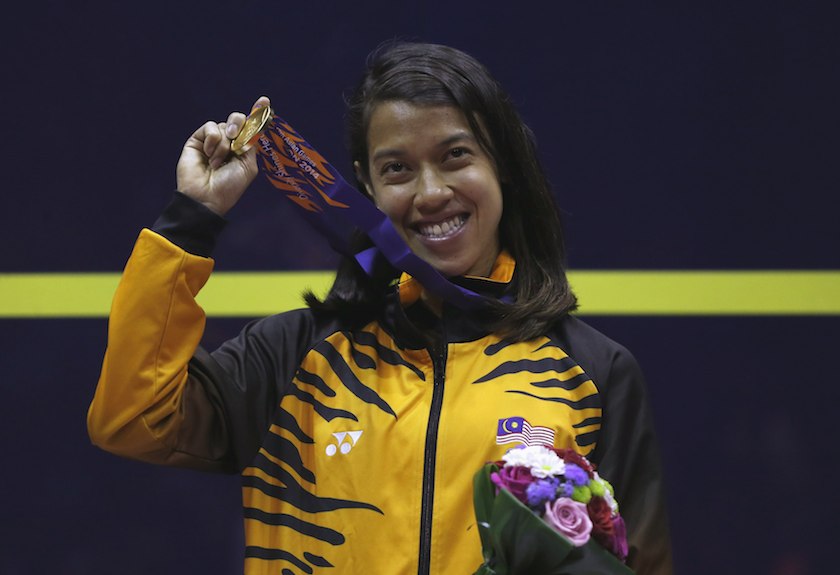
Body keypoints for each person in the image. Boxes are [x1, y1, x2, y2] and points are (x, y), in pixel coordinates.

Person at [88, 41, 673, 574]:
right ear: (366, 186)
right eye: (398, 169)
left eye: (455, 155)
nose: (431, 192)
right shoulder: (295, 358)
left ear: (502, 163)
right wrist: (192, 218)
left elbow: (640, 564)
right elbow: (131, 420)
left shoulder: (593, 372)